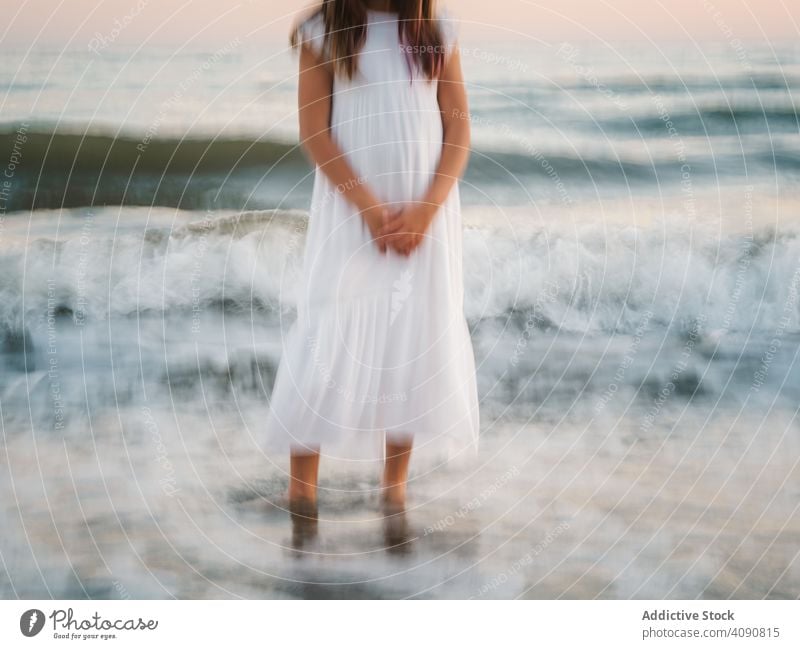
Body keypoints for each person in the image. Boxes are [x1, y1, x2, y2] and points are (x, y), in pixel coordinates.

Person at [264, 0, 479, 530]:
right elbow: (316, 131)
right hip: (351, 213)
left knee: (411, 332)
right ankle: (302, 491)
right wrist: (369, 209)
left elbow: (459, 133)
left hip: (424, 214)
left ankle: (394, 491)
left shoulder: (434, 29)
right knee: (326, 332)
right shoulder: (324, 30)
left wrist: (425, 212)